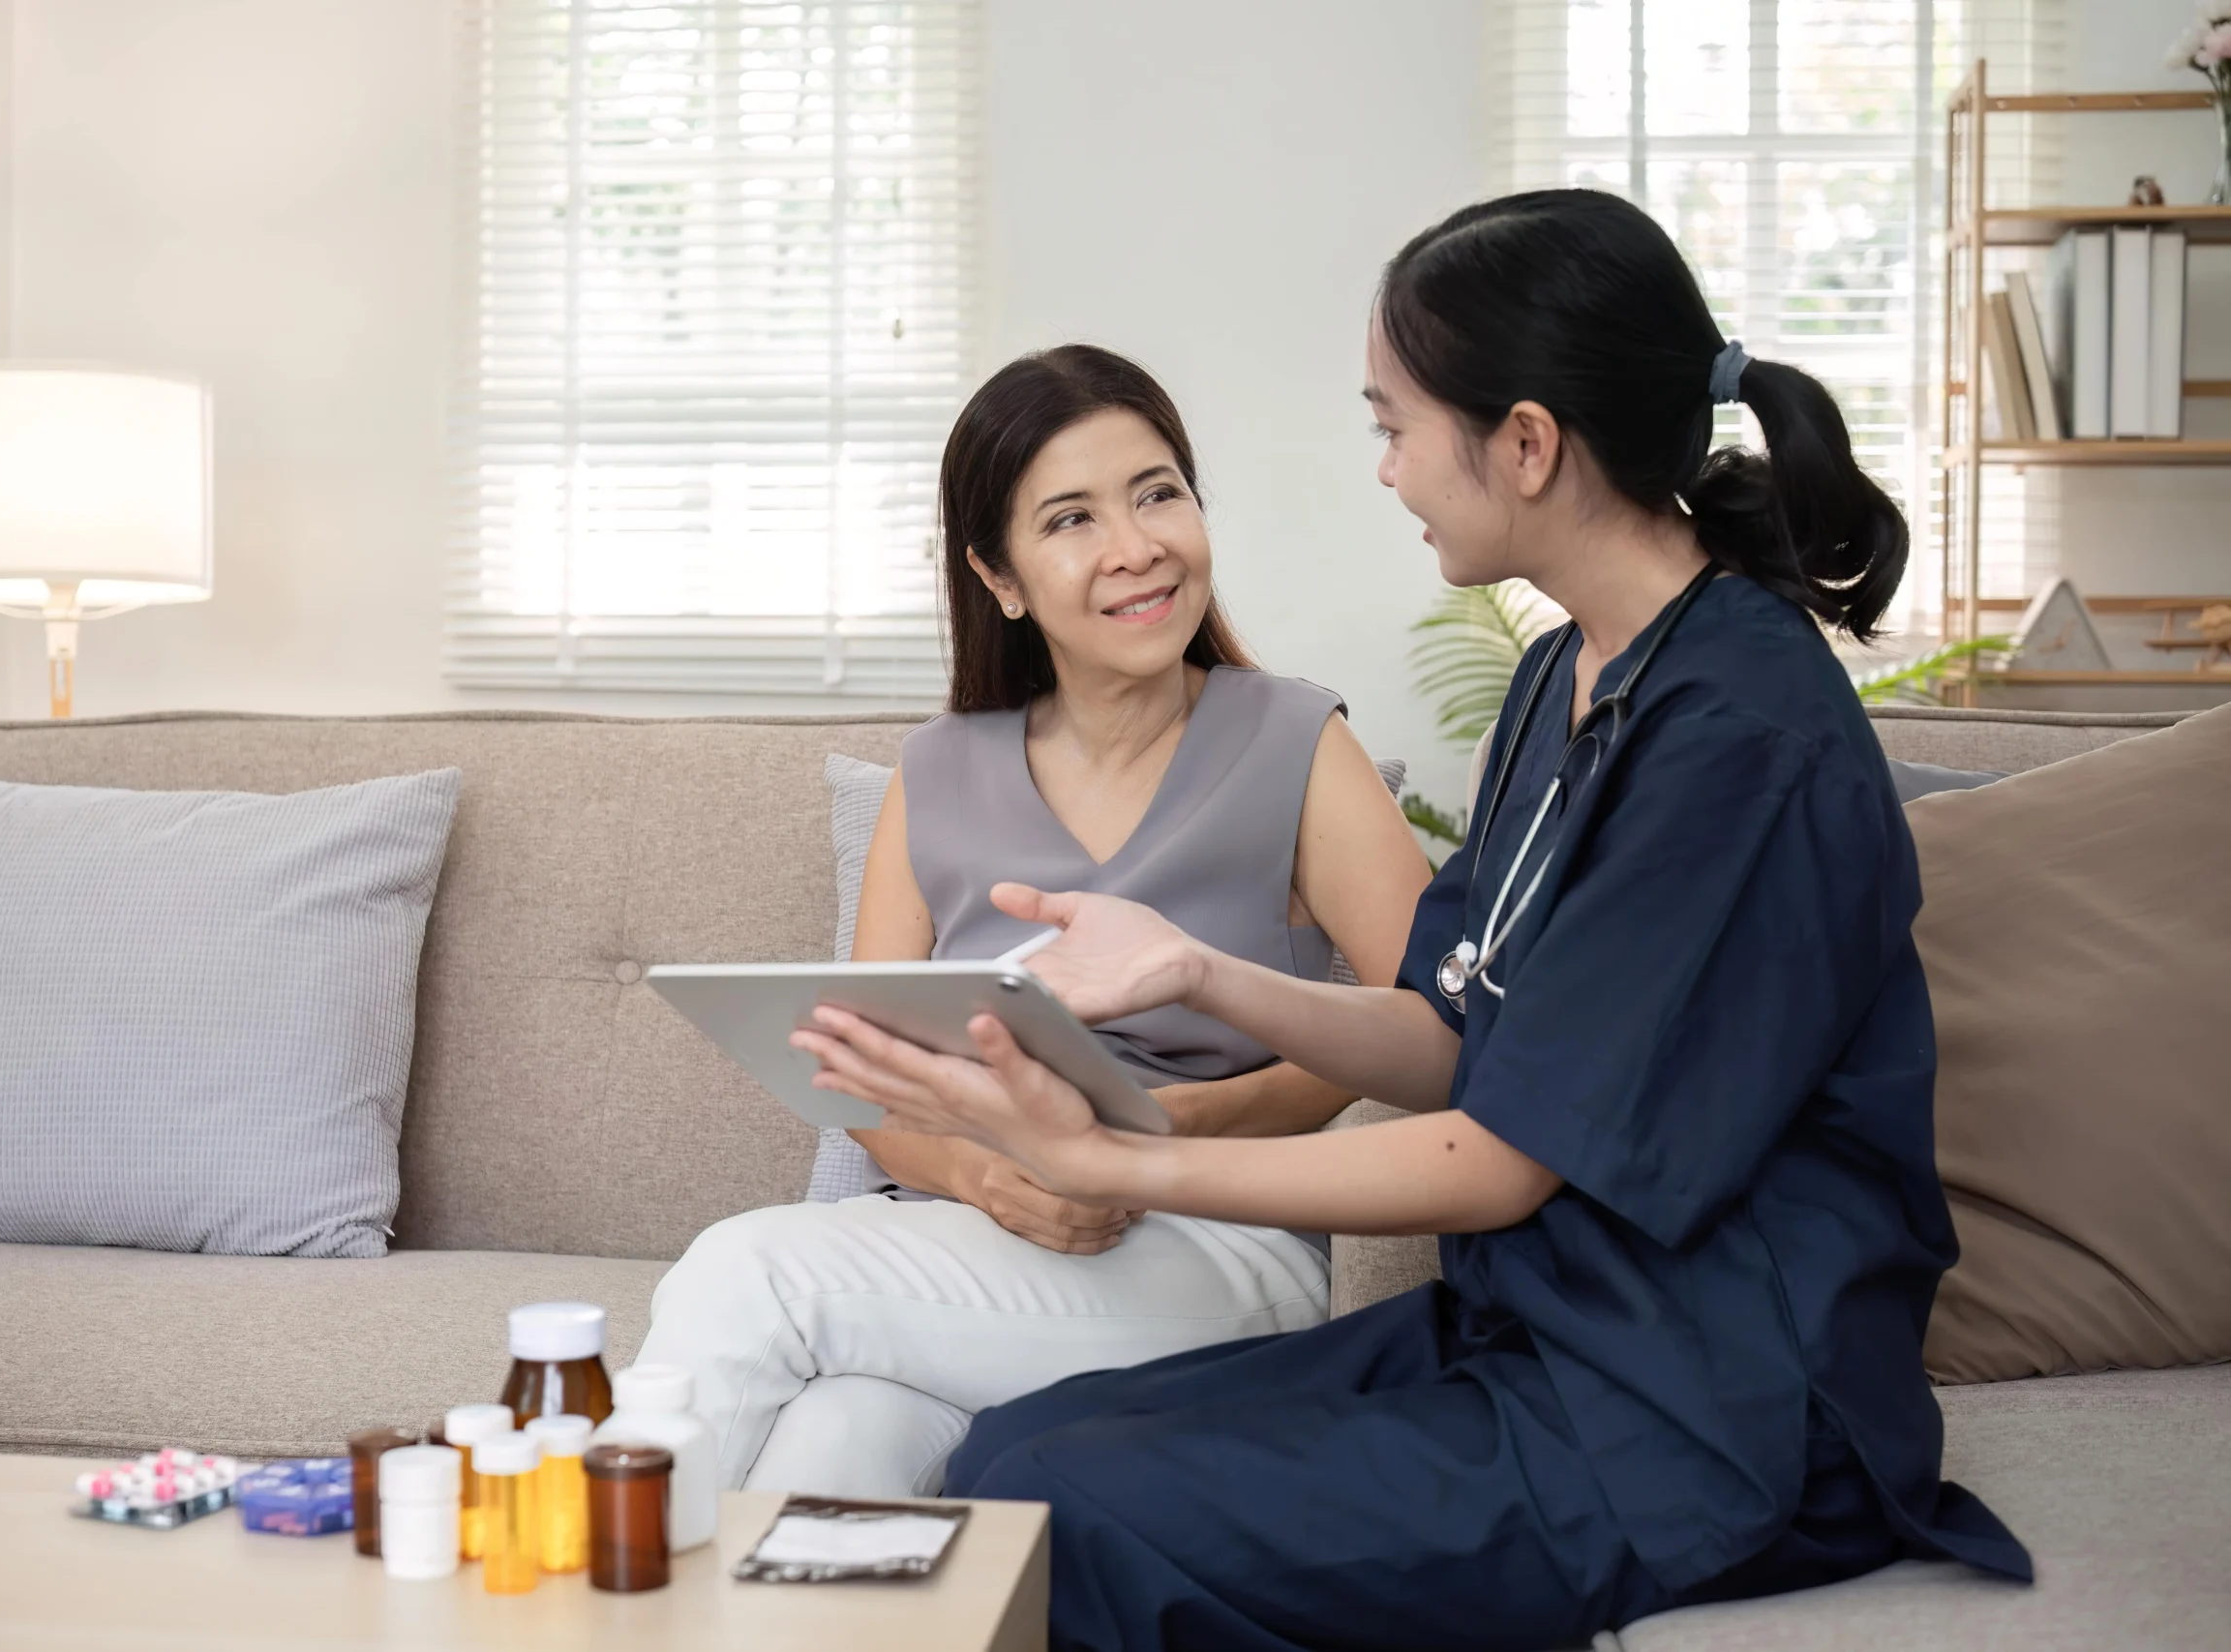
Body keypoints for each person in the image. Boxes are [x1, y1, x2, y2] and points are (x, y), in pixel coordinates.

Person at [793, 191, 2033, 1652]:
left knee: (1063, 1505)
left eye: (1396, 424)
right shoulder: (1569, 672)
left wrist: (1119, 1154)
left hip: (1709, 1410)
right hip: (1536, 1339)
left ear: (1523, 441)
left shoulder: (1740, 738)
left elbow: (1499, 1161)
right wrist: (1205, 970)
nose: (1383, 468)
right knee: (1004, 1454)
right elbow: (1450, 1030)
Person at [634, 345, 1431, 1500]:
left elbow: (1434, 1028)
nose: (1134, 546)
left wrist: (1149, 1135)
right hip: (970, 1242)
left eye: (1158, 493)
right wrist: (992, 1179)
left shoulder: (1299, 743)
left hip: (1223, 1240)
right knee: (835, 1450)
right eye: (1070, 518)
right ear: (998, 576)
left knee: (747, 1274)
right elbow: (867, 1085)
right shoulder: (938, 771)